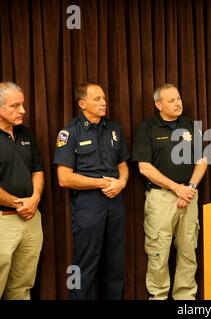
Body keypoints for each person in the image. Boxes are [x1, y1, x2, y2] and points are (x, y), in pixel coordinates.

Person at [54, 82, 129, 299]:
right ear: (82, 103)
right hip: (88, 205)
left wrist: (121, 183)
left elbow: (123, 165)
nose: (104, 103)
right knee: (83, 263)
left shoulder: (114, 129)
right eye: (97, 99)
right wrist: (101, 183)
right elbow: (64, 178)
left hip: (115, 202)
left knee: (115, 263)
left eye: (104, 98)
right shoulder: (69, 132)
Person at [132, 83, 207, 300]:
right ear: (158, 104)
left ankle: (185, 298)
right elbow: (144, 167)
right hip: (161, 197)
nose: (178, 103)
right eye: (171, 100)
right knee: (159, 252)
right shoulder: (148, 128)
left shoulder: (191, 125)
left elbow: (202, 161)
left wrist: (190, 188)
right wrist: (176, 189)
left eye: (179, 98)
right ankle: (159, 296)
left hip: (190, 195)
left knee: (188, 251)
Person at [0, 82, 44, 299]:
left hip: (31, 219)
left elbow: (38, 168)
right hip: (3, 221)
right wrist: (19, 204)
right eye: (15, 106)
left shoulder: (25, 133)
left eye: (23, 105)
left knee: (22, 285)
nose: (23, 111)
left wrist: (35, 199)